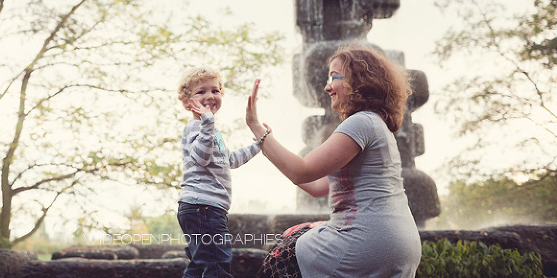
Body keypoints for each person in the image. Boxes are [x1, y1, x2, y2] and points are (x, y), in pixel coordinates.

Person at [245, 42, 422, 278]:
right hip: (398, 244)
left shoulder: (361, 122)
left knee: (282, 256)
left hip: (367, 242)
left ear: (359, 81)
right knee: (298, 232)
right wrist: (268, 146)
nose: (327, 87)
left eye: (334, 77)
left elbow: (301, 171)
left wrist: (256, 127)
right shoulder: (377, 125)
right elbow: (316, 186)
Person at [176, 66, 269, 278]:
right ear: (187, 101)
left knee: (201, 265)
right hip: (202, 207)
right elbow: (200, 157)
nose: (210, 95)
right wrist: (208, 122)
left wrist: (259, 144)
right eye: (201, 91)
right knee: (217, 264)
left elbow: (230, 160)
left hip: (205, 208)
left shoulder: (211, 132)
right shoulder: (196, 127)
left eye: (215, 90)